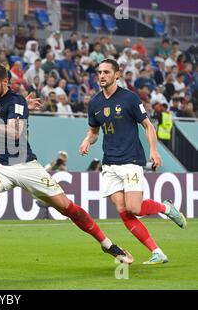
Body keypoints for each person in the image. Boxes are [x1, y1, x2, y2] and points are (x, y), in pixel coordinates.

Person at [0, 62, 134, 265]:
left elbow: (15, 131)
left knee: (67, 208)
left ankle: (108, 245)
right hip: (0, 167)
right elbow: (0, 113)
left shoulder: (15, 100)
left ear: (5, 81)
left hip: (25, 165)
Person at [79, 58, 187, 265]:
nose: (101, 76)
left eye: (106, 72)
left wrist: (154, 150)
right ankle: (157, 252)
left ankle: (166, 208)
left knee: (134, 208)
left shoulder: (129, 98)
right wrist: (86, 140)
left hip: (130, 159)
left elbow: (148, 126)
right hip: (109, 163)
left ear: (117, 75)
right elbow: (93, 132)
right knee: (122, 209)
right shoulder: (94, 103)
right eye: (99, 72)